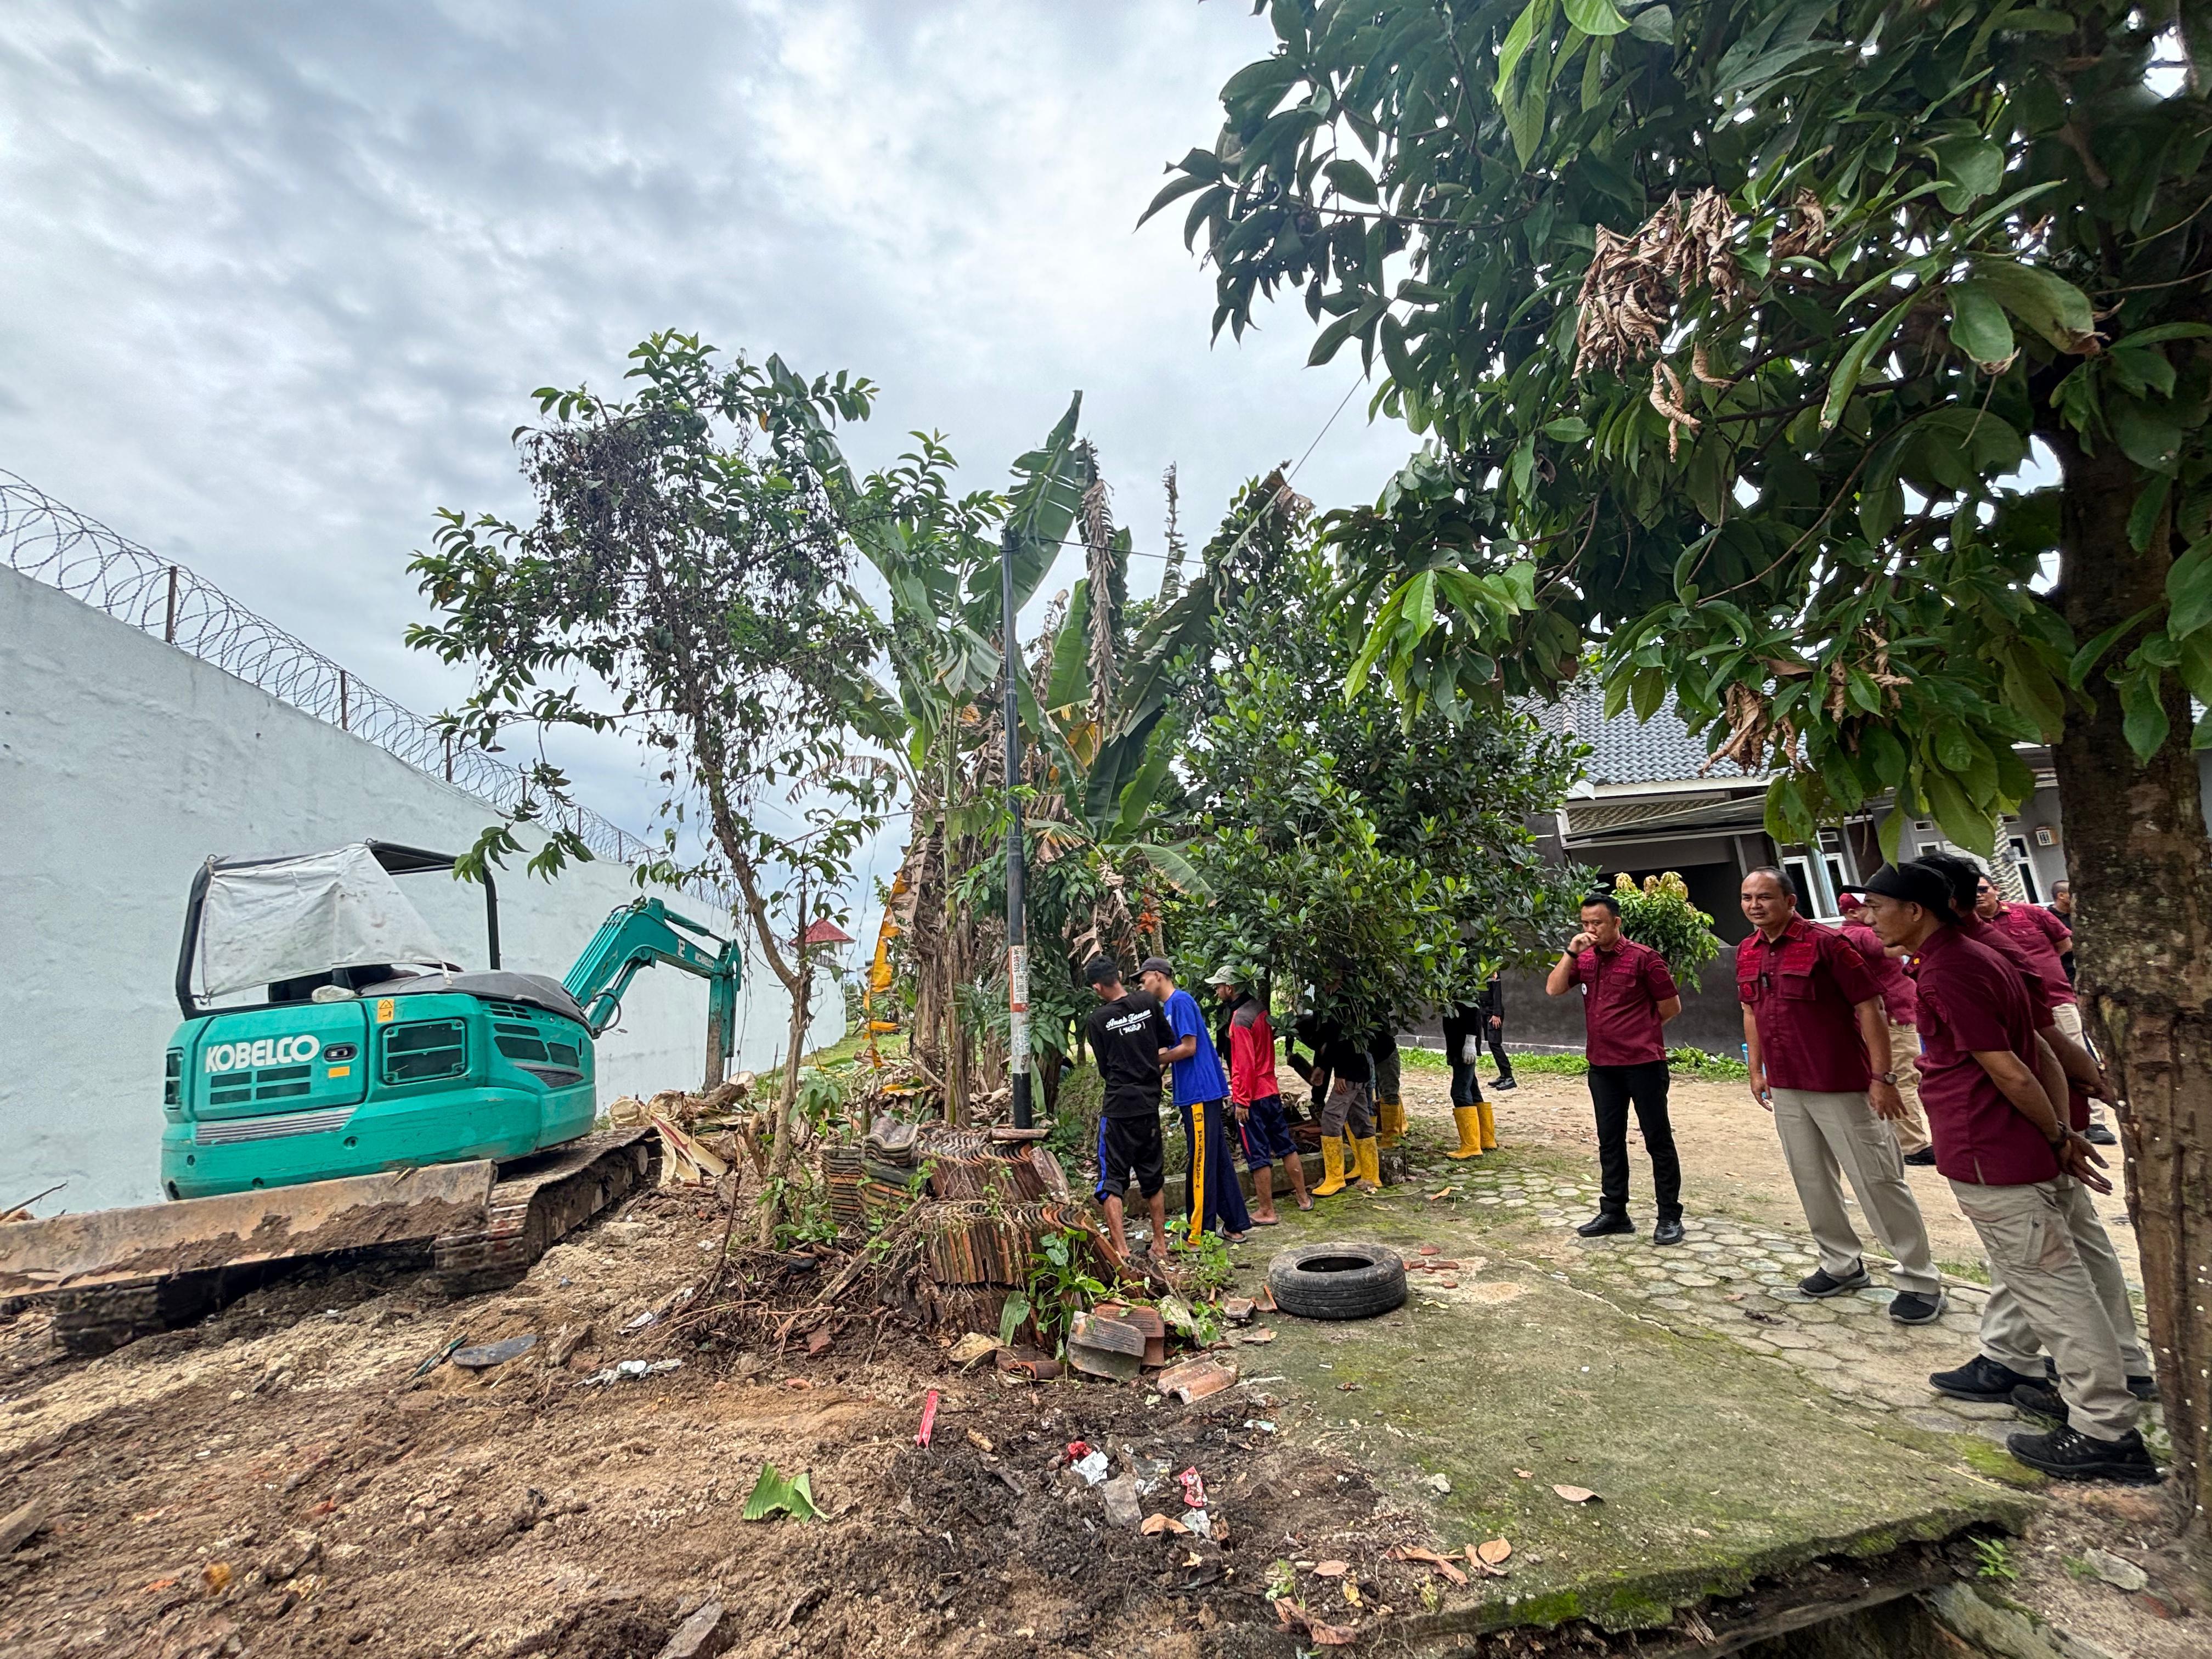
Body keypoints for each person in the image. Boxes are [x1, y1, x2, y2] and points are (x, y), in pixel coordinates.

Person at [1861, 863, 2158, 1484]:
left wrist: (2057, 1133)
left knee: (2053, 1290)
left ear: (1916, 910)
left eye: (1878, 906)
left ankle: (2105, 1431)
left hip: (1992, 1149)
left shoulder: (1952, 969)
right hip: (2017, 1143)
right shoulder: (1976, 955)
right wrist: (2060, 1131)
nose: (1869, 918)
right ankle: (2101, 1393)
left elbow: (2012, 1068)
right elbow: (2040, 1050)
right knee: (2066, 1276)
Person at [1737, 868, 1945, 1323]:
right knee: (1811, 1179)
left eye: (1765, 897)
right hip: (1788, 1085)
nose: (1755, 906)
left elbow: (1871, 1008)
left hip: (1843, 1084)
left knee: (1877, 1180)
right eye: (1748, 898)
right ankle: (1841, 1263)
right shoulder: (1748, 951)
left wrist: (1882, 1078)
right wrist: (1757, 1071)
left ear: (1790, 901)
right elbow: (1751, 1012)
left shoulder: (1828, 944)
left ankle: (1919, 1279)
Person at [1544, 891, 1686, 1244]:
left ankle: (1669, 1216)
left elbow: (1671, 1007)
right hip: (1602, 1067)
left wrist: (1639, 1032)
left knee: (1657, 1139)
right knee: (1609, 1140)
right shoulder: (1585, 959)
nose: (1591, 930)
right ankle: (1614, 1212)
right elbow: (1553, 989)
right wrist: (1571, 952)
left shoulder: (1644, 959)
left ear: (1616, 923)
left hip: (1644, 1065)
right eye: (1585, 923)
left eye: (1598, 923)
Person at [1974, 872, 2111, 1144]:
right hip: (2013, 1009)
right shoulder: (1970, 928)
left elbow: (2064, 944)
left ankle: (2096, 1121)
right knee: (2038, 1063)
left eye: (1982, 889)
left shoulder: (2030, 913)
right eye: (1971, 892)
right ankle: (2059, 1121)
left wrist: (2039, 971)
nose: (1978, 896)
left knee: (2076, 1053)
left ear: (1996, 889)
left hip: (2055, 998)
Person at [1138, 956, 1250, 1245]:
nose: (1141, 984)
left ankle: (1199, 1232)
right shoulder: (1167, 1009)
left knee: (1200, 1162)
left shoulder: (1181, 1002)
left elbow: (1189, 1047)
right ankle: (1235, 1224)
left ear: (1158, 975)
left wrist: (1152, 1060)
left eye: (1144, 978)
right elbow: (1168, 1051)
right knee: (1216, 1158)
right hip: (1195, 1092)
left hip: (1199, 1091)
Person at [1834, 886, 1934, 1165]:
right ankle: (1912, 1146)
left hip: (1891, 1017)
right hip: (1892, 1020)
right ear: (1853, 912)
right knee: (1903, 1079)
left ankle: (1900, 1140)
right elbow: (1893, 947)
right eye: (1871, 907)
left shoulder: (1852, 934)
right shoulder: (1860, 935)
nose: (1876, 915)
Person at [1082, 956, 1173, 1264]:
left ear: (1097, 987)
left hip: (1119, 1108)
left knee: (1112, 1180)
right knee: (1152, 1176)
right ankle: (1160, 1245)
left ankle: (1121, 1252)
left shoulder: (1097, 1020)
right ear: (1119, 975)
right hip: (1149, 1105)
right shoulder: (1147, 1002)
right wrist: (1150, 1074)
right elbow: (1165, 1045)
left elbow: (1105, 1069)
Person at [1210, 966, 1312, 1222]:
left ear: (1230, 988)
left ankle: (1267, 1211)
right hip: (1270, 1090)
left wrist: (1241, 1101)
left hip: (1253, 1096)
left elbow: (1244, 1065)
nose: (1217, 991)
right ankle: (1303, 1198)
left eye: (1219, 987)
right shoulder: (1260, 1009)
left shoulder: (1239, 1020)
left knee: (1257, 1154)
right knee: (1285, 1145)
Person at [1300, 1008, 1382, 1198]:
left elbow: (1343, 1042)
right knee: (1360, 1119)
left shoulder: (1341, 1007)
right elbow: (1331, 1044)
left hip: (1351, 1072)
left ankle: (1335, 1179)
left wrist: (1341, 1074)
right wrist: (1322, 1067)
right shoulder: (1332, 1006)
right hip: (1357, 1071)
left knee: (1331, 1118)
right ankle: (1371, 1174)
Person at [1438, 992, 1498, 1161]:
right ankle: (1485, 1139)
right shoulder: (1450, 988)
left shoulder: (1464, 986)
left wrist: (1471, 1042)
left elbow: (1474, 1013)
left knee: (1459, 1092)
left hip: (1464, 1044)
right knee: (1472, 1088)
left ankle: (1471, 1146)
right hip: (1457, 1044)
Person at [1370, 1025, 1405, 1149]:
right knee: (1387, 1093)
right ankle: (1393, 1133)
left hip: (1385, 1054)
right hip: (1374, 1055)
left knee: (1390, 1094)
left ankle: (1392, 1138)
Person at [1482, 970, 1516, 1091]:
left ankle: (1509, 1077)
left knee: (1495, 1044)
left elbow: (1497, 991)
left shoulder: (1493, 969)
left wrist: (1496, 1013)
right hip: (1484, 1010)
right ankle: (1503, 1076)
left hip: (1493, 1012)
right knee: (1492, 1044)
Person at [2046, 879, 2076, 985]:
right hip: (2064, 969)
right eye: (2072, 893)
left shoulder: (2080, 915)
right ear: (2061, 896)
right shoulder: (2047, 918)